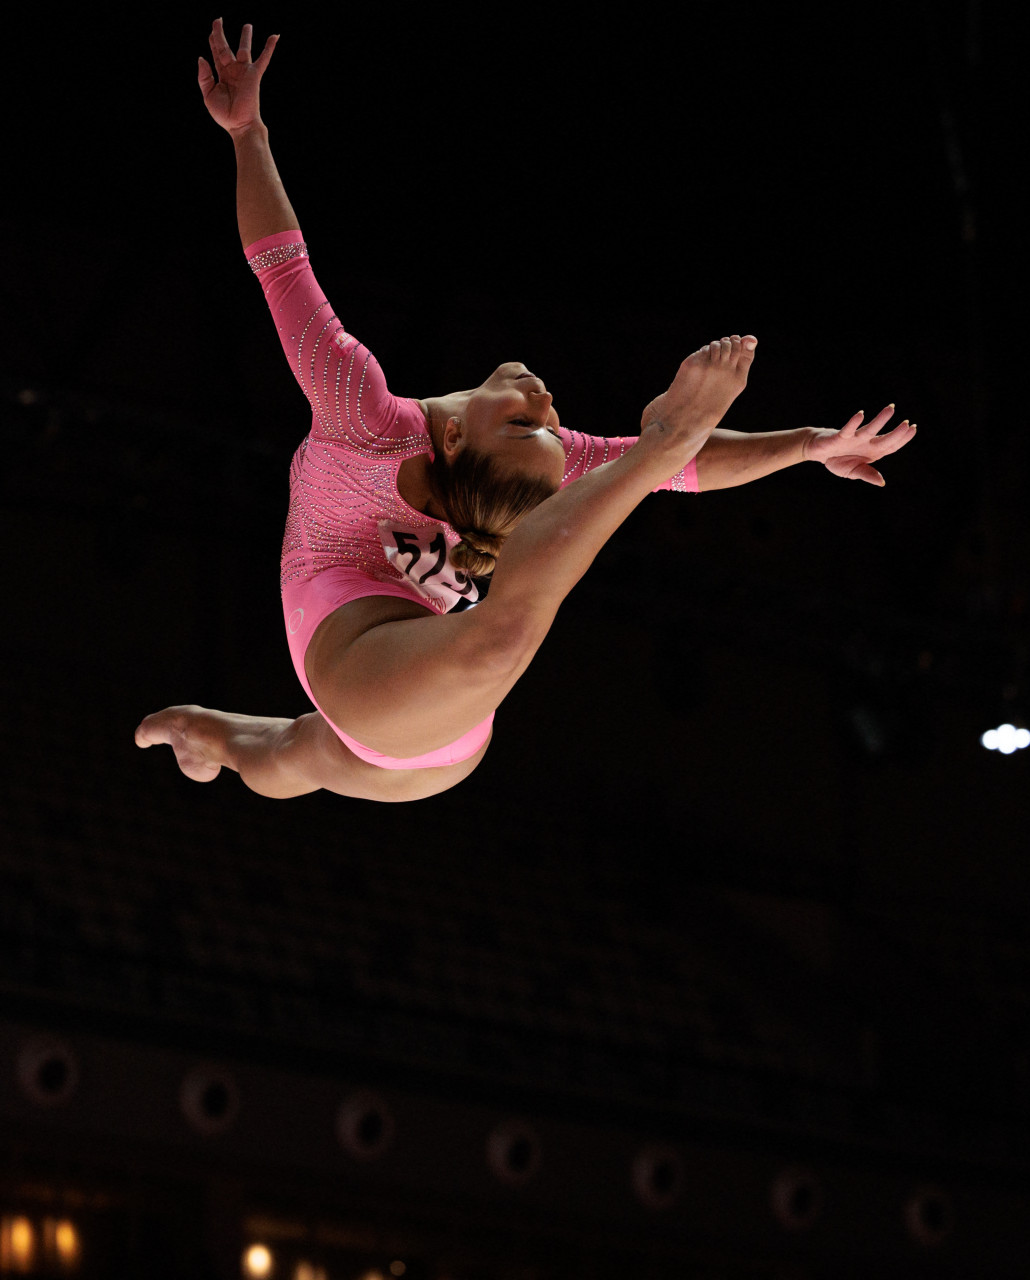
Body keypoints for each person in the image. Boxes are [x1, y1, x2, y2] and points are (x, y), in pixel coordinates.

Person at [137, 19, 917, 802]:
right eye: (551, 425)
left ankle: (228, 741)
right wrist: (807, 442)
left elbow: (279, 262)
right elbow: (692, 473)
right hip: (431, 714)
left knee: (306, 759)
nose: (547, 403)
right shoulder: (415, 429)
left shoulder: (365, 418)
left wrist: (249, 136)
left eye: (529, 423)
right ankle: (221, 737)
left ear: (449, 435)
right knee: (292, 764)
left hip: (397, 691)